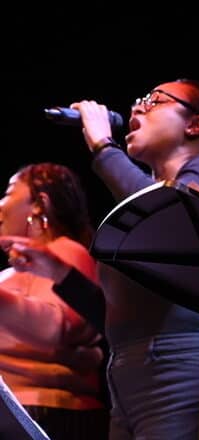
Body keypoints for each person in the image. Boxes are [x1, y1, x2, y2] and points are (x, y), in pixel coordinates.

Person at [2, 79, 199, 439]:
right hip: (128, 373)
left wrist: (104, 147)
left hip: (181, 363)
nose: (137, 108)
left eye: (154, 101)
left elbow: (173, 221)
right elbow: (111, 318)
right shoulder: (139, 200)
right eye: (138, 100)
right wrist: (59, 273)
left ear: (195, 125)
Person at [0, 162, 109, 440]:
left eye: (8, 192)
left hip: (44, 413)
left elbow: (53, 330)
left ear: (39, 203)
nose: (0, 204)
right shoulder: (8, 275)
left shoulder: (66, 252)